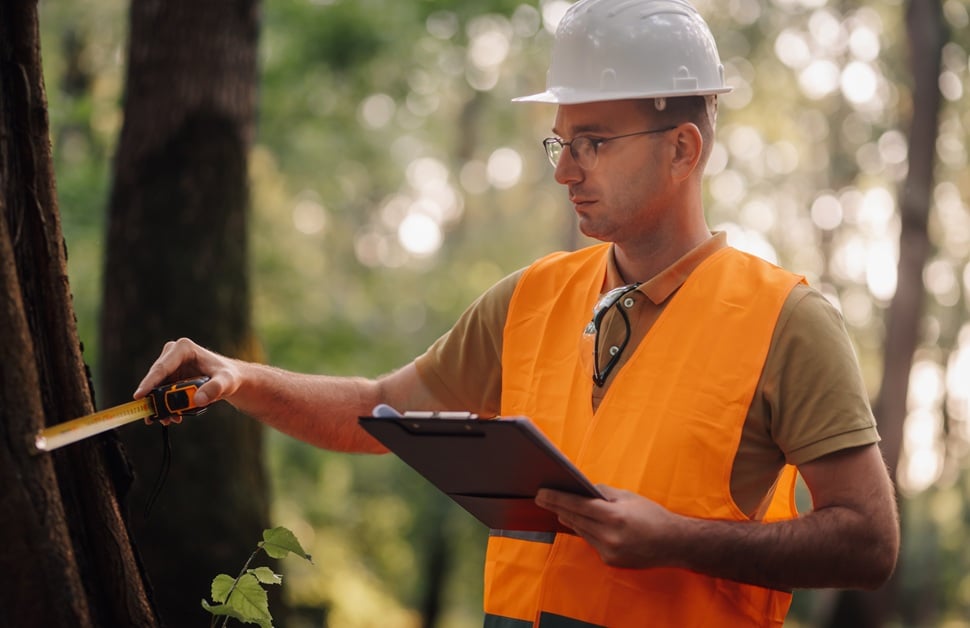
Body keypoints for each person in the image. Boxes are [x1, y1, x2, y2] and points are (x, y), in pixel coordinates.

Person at [135, 0, 900, 625]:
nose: (565, 170)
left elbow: (868, 544)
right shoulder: (529, 299)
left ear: (684, 149)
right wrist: (240, 378)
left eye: (594, 143)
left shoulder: (788, 321)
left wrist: (679, 541)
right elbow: (376, 408)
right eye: (560, 143)